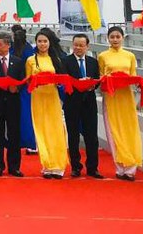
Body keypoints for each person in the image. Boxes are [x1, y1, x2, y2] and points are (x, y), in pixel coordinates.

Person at [98, 25, 142, 181]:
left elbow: (133, 76)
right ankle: (120, 167)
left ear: (123, 38)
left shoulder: (130, 56)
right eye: (112, 37)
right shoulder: (102, 56)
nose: (115, 39)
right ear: (108, 39)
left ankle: (131, 169)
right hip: (111, 97)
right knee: (113, 130)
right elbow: (101, 77)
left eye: (118, 36)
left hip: (126, 96)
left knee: (129, 129)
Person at [26, 28, 69, 179]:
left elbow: (62, 80)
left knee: (55, 130)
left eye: (45, 41)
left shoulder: (56, 60)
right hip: (37, 98)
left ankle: (58, 165)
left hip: (52, 98)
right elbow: (28, 81)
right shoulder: (31, 60)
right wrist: (36, 81)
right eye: (39, 41)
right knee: (41, 131)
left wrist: (55, 81)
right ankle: (47, 165)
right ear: (36, 43)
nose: (42, 44)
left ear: (50, 43)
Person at [0, 32, 25, 177]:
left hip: (13, 102)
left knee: (14, 134)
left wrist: (17, 88)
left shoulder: (18, 61)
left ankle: (14, 166)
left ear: (8, 45)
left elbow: (23, 79)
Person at [63, 33, 103, 179]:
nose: (78, 48)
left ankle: (93, 167)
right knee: (73, 136)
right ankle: (76, 167)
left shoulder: (93, 62)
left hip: (89, 102)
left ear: (87, 46)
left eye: (81, 45)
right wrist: (78, 83)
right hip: (72, 102)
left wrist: (91, 84)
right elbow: (64, 80)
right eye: (76, 45)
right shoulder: (65, 61)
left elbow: (97, 80)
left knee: (91, 136)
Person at [11, 24, 37, 153]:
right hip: (26, 85)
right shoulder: (29, 49)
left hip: (13, 83)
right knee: (27, 114)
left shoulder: (12, 48)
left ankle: (18, 140)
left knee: (16, 115)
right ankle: (30, 143)